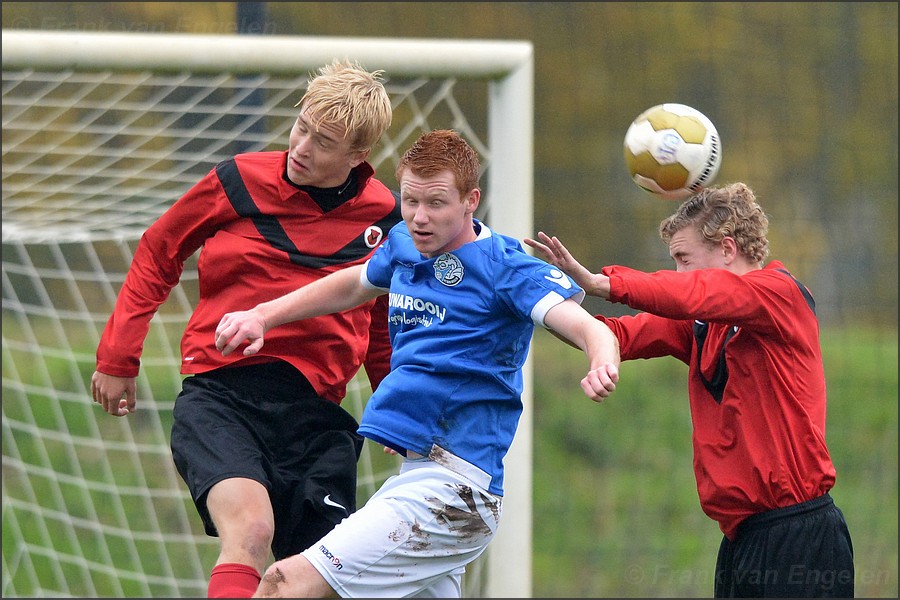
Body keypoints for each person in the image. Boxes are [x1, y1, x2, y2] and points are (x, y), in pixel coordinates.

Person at [213, 129, 621, 598]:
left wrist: (601, 359)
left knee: (284, 583)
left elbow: (587, 326)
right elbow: (352, 284)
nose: (420, 218)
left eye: (436, 203)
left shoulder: (505, 267)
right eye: (410, 201)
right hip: (418, 476)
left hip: (454, 492)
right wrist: (263, 314)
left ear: (471, 200)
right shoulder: (405, 243)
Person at [90, 59, 401, 598]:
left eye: (322, 142)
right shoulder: (238, 180)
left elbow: (379, 322)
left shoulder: (387, 219)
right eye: (300, 126)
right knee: (252, 530)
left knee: (319, 574)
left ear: (358, 157)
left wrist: (400, 407)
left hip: (315, 417)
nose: (301, 147)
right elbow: (160, 250)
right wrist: (118, 357)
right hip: (221, 395)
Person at [524, 182, 854, 598]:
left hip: (799, 535)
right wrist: (534, 305)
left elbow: (698, 292)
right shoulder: (701, 326)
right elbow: (611, 333)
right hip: (741, 540)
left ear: (728, 249)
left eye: (684, 259)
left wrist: (603, 283)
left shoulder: (780, 295)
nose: (679, 273)